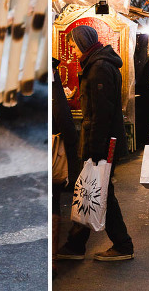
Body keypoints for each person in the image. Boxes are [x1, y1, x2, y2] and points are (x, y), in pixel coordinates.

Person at [56, 25, 134, 262]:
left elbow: (101, 113)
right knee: (93, 189)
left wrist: (95, 150)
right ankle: (77, 244)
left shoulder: (99, 66)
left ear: (82, 42)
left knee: (98, 191)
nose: (71, 48)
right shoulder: (98, 62)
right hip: (101, 142)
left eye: (73, 44)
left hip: (101, 144)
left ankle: (121, 244)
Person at [51, 58, 79, 276]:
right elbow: (63, 119)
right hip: (51, 152)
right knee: (52, 201)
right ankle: (51, 260)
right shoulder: (52, 83)